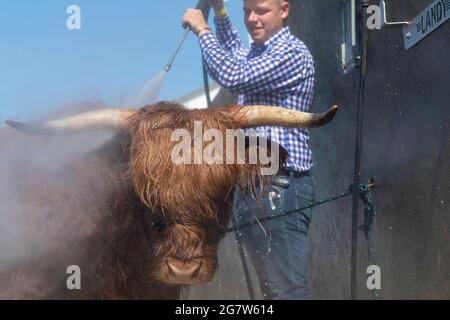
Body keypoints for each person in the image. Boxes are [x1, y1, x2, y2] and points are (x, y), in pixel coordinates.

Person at [183, 0, 316, 299]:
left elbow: (234, 75)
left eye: (261, 11)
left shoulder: (291, 53)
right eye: (247, 11)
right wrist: (220, 12)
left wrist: (202, 30)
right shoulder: (261, 53)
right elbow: (237, 55)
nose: (252, 19)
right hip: (256, 186)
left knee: (287, 291)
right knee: (272, 292)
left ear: (284, 9)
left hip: (280, 183)